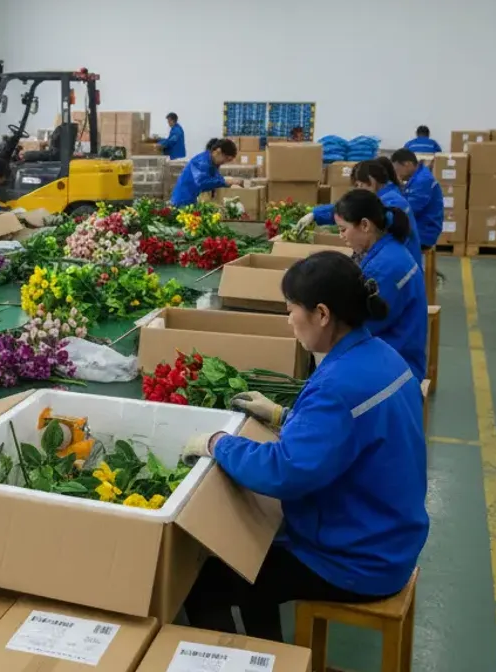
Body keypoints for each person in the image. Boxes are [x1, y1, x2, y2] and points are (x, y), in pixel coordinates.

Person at [180, 251, 428, 642]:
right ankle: (268, 652)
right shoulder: (383, 356)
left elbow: (285, 471)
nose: (288, 319)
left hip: (358, 559)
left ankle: (248, 663)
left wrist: (217, 443)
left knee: (209, 579)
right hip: (391, 535)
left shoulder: (337, 386)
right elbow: (346, 434)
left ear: (322, 314)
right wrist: (282, 415)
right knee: (252, 557)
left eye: (291, 309)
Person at [333, 190, 428, 381]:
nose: (340, 236)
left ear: (365, 225)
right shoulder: (388, 249)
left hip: (397, 364)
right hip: (396, 349)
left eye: (343, 229)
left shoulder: (384, 269)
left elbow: (363, 325)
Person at [297, 157, 422, 264]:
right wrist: (316, 214)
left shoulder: (390, 202)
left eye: (359, 185)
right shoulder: (389, 194)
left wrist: (316, 214)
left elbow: (354, 210)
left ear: (371, 182)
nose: (357, 190)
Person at [391, 149, 444, 250]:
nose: (396, 173)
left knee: (385, 243)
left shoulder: (422, 181)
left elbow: (410, 209)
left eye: (397, 169)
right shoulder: (417, 177)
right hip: (419, 226)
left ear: (407, 164)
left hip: (424, 232)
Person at [169, 138, 239, 207]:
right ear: (218, 151)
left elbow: (216, 178)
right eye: (227, 159)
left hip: (192, 200)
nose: (225, 162)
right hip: (183, 200)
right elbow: (202, 182)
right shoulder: (202, 161)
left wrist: (228, 182)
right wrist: (225, 182)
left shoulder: (212, 163)